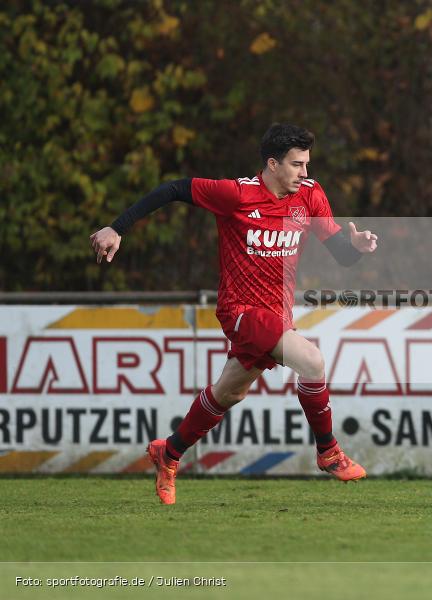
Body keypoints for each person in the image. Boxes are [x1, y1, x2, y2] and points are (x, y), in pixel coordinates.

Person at [90, 123, 377, 504]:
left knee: (229, 392)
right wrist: (117, 227)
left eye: (307, 164)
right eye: (296, 165)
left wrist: (355, 246)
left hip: (277, 316)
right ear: (272, 164)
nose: (305, 173)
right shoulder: (236, 194)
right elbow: (174, 188)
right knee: (312, 360)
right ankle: (328, 451)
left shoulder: (310, 196)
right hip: (240, 311)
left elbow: (341, 255)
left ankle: (169, 452)